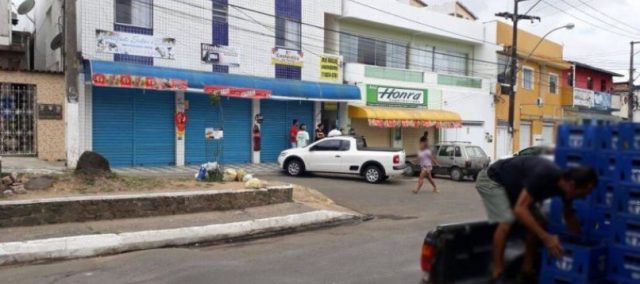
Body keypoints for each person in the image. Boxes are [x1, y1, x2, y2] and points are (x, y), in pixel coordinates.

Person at [475, 156, 598, 283]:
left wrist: (578, 243)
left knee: (539, 223)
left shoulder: (567, 189)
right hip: (492, 179)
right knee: (507, 222)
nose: (583, 198)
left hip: (516, 189)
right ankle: (497, 273)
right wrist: (547, 238)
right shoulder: (544, 175)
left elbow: (569, 216)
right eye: (583, 194)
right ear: (572, 185)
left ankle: (526, 270)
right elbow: (520, 209)